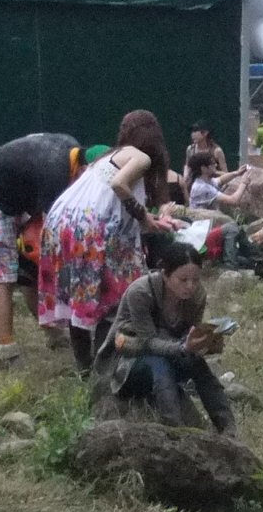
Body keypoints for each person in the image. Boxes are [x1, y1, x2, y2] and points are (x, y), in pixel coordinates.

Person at [38, 112, 172, 374]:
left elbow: (112, 203)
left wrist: (149, 219)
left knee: (81, 296)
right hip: (90, 228)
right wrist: (144, 216)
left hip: (62, 222)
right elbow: (118, 185)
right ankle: (107, 366)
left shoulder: (109, 155)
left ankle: (84, 367)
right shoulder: (140, 157)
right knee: (114, 296)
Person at [0, 132, 81, 363]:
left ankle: (54, 334)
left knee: (32, 271)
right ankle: (6, 349)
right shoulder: (56, 173)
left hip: (19, 200)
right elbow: (56, 233)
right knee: (4, 277)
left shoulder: (72, 156)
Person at [99, 243, 236, 435]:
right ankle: (176, 431)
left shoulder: (197, 296)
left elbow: (189, 335)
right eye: (183, 279)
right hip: (130, 359)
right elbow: (147, 342)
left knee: (198, 365)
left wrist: (204, 343)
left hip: (172, 350)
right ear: (165, 275)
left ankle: (228, 428)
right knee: (159, 364)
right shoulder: (141, 292)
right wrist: (182, 348)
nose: (190, 286)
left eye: (195, 280)